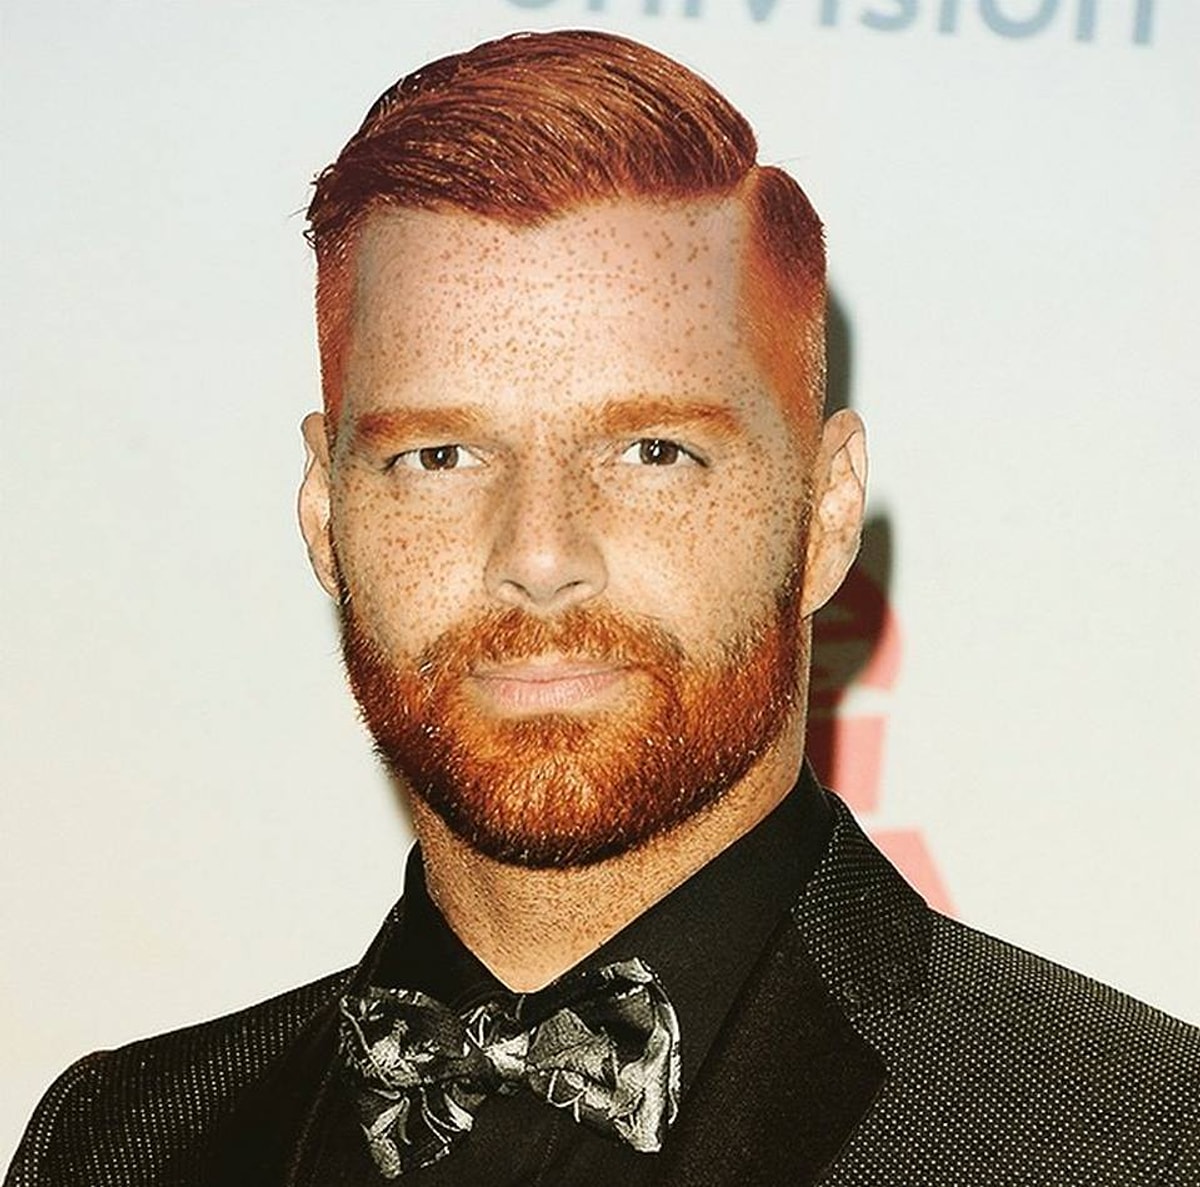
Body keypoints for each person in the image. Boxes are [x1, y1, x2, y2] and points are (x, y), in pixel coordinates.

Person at [7, 28, 1197, 1187]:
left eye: (652, 451)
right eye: (438, 456)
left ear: (826, 512)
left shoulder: (1139, 1139)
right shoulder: (119, 1144)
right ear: (326, 513)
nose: (539, 555)